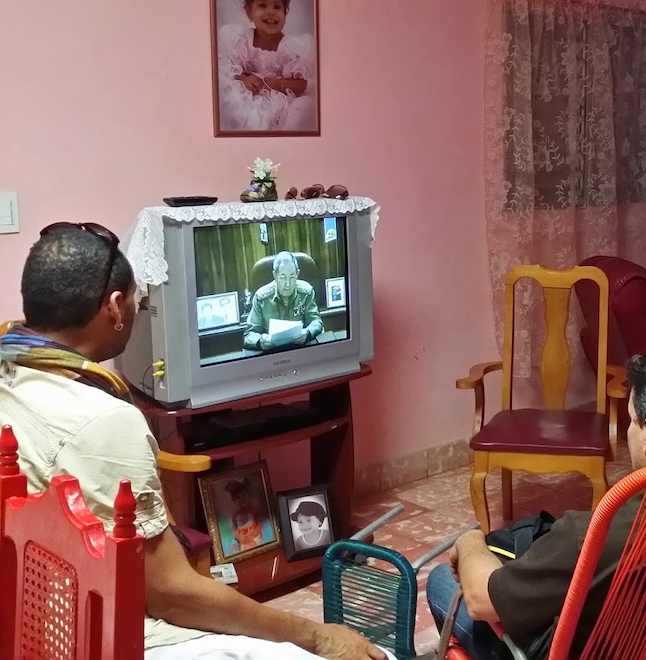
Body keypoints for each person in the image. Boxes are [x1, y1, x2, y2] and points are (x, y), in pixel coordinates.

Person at [0, 224, 389, 660]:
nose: (138, 307)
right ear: (114, 307)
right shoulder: (103, 419)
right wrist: (317, 636)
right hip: (99, 629)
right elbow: (171, 594)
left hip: (31, 609)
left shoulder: (10, 368)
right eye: (137, 298)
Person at [427, 354, 646, 659]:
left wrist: (469, 540)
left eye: (631, 422)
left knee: (441, 581)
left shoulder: (594, 534)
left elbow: (480, 599)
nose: (628, 434)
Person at [217, 0, 316, 132]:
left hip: (281, 105)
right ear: (249, 11)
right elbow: (227, 68)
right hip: (250, 101)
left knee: (303, 108)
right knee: (230, 99)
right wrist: (244, 79)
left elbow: (303, 84)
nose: (271, 12)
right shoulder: (242, 42)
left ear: (285, 12)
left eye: (277, 7)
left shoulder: (291, 47)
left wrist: (281, 84)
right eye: (262, 5)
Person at [243, 251, 323, 351]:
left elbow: (316, 321)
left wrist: (307, 332)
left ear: (297, 274)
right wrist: (260, 342)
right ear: (275, 275)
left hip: (301, 350)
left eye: (292, 276)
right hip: (272, 353)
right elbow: (249, 334)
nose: (288, 284)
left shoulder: (306, 292)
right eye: (282, 277)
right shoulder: (261, 297)